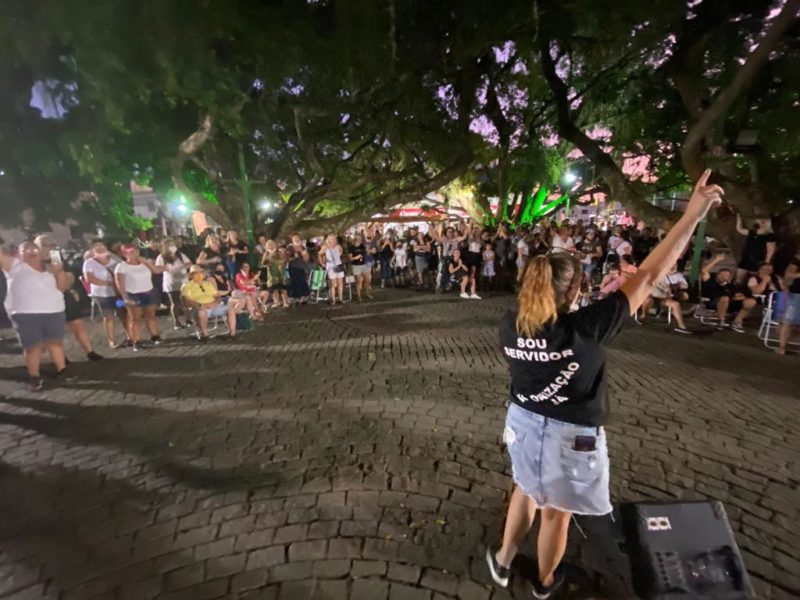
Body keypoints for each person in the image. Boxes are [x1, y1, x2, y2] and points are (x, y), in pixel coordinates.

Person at [486, 170, 724, 599]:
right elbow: (650, 276)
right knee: (556, 514)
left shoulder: (510, 324)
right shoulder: (587, 329)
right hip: (569, 432)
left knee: (524, 488)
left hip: (522, 421)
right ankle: (543, 583)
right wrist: (692, 214)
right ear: (575, 288)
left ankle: (503, 560)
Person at [1, 242, 72, 390]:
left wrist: (59, 272)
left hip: (54, 312)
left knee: (55, 343)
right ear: (19, 254)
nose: (31, 250)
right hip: (25, 314)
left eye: (34, 248)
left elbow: (63, 288)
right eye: (25, 248)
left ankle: (62, 370)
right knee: (33, 347)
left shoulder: (51, 268)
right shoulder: (15, 266)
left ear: (40, 252)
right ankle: (34, 376)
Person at [34, 235, 104, 361]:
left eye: (52, 245)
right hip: (45, 300)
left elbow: (69, 279)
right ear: (37, 247)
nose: (50, 248)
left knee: (78, 324)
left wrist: (59, 271)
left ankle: (90, 351)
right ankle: (61, 358)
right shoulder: (34, 263)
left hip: (64, 296)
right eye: (46, 245)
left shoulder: (58, 260)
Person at [114, 244, 164, 351]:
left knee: (151, 315)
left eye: (136, 251)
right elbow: (120, 282)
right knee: (135, 318)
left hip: (148, 292)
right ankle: (136, 341)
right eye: (131, 252)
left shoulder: (144, 264)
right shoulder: (122, 266)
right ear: (125, 254)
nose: (135, 253)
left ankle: (154, 335)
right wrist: (125, 297)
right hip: (133, 293)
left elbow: (156, 271)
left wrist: (146, 262)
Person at [82, 241, 130, 348]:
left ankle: (130, 336)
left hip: (117, 294)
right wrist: (109, 283)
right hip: (102, 295)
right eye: (96, 247)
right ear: (92, 251)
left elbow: (123, 267)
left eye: (102, 246)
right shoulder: (89, 263)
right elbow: (89, 279)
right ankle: (112, 340)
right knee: (109, 317)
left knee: (123, 314)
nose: (100, 248)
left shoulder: (114, 259)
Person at [700, 254, 757, 333]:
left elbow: (740, 295)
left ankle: (737, 322)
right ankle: (721, 321)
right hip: (712, 302)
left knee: (751, 302)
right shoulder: (711, 280)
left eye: (727, 275)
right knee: (724, 298)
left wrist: (737, 298)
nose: (724, 276)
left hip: (730, 303)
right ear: (718, 274)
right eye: (722, 274)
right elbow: (703, 271)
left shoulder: (730, 286)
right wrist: (716, 260)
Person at [181, 265, 238, 342]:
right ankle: (205, 335)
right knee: (201, 312)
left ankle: (232, 334)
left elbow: (217, 296)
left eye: (200, 273)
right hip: (198, 308)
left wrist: (215, 302)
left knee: (230, 309)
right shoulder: (187, 286)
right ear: (192, 275)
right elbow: (186, 301)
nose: (199, 275)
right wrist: (200, 305)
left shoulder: (207, 284)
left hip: (213, 305)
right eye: (196, 273)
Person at [639, 264, 693, 334]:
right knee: (648, 299)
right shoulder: (656, 275)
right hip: (652, 297)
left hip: (663, 298)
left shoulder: (675, 276)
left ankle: (681, 326)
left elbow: (670, 292)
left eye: (676, 265)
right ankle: (643, 315)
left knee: (676, 304)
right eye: (673, 265)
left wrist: (671, 293)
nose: (675, 267)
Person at [155, 239, 192, 329]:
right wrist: (168, 269)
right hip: (171, 281)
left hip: (183, 280)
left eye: (173, 245)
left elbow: (189, 263)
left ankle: (188, 319)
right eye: (170, 245)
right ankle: (177, 322)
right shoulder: (161, 257)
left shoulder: (180, 255)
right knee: (175, 303)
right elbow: (157, 268)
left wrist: (182, 267)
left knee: (186, 301)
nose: (173, 247)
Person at [736, 215, 776, 284]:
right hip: (746, 258)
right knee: (739, 279)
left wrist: (766, 262)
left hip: (757, 260)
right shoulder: (752, 232)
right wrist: (739, 219)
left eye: (764, 222)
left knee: (756, 279)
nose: (762, 223)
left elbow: (770, 250)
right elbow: (740, 229)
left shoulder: (770, 235)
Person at [777, 251, 800, 355]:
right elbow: (788, 276)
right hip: (796, 295)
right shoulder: (796, 263)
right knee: (788, 321)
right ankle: (782, 347)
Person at [320, 234, 345, 305]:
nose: (333, 240)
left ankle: (340, 299)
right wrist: (322, 263)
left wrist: (337, 258)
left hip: (338, 266)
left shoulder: (338, 246)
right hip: (330, 267)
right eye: (331, 238)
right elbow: (319, 254)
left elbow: (341, 252)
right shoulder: (325, 247)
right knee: (333, 284)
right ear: (328, 239)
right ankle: (333, 299)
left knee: (340, 283)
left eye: (334, 238)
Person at [349, 233, 371, 301]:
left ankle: (367, 293)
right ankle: (359, 296)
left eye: (360, 239)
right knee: (358, 281)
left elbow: (366, 253)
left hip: (364, 264)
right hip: (356, 266)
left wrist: (368, 251)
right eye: (358, 238)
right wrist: (356, 257)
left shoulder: (362, 246)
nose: (359, 240)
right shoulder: (351, 247)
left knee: (367, 279)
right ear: (355, 239)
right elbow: (350, 258)